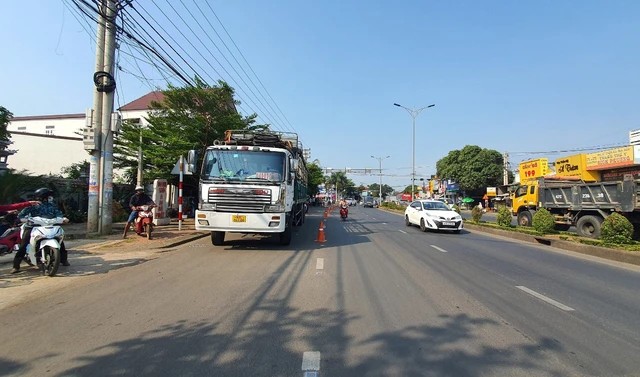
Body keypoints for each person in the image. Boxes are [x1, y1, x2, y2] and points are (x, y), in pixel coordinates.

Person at [12, 188, 69, 274]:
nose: (50, 197)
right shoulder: (32, 205)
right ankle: (16, 266)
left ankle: (64, 260)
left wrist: (63, 219)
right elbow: (22, 215)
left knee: (60, 240)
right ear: (43, 197)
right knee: (24, 244)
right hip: (32, 226)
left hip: (49, 225)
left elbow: (59, 214)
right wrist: (22, 219)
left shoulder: (52, 205)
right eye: (48, 196)